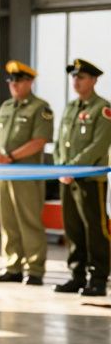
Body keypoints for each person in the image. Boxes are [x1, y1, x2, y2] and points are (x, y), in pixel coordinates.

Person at [0, 61, 53, 285]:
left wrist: (11, 157)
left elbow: (39, 141)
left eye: (19, 80)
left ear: (29, 82)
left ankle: (34, 269)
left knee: (29, 222)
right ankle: (12, 266)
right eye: (11, 81)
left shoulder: (40, 108)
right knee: (8, 222)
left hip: (26, 175)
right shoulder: (6, 106)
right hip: (3, 174)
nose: (14, 84)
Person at [53, 58, 111, 297]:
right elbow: (59, 143)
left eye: (82, 77)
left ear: (94, 80)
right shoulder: (70, 107)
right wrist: (59, 167)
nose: (76, 81)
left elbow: (99, 145)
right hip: (68, 179)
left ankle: (98, 278)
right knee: (72, 228)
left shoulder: (103, 109)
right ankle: (77, 275)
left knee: (95, 229)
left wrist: (72, 168)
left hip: (89, 179)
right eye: (74, 77)